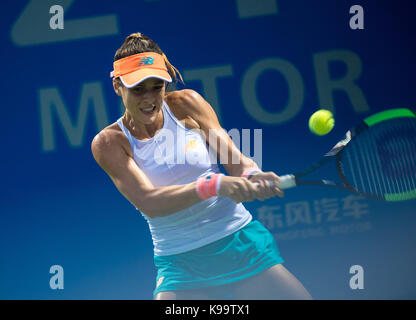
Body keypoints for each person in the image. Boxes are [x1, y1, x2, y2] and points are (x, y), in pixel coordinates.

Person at [91, 32, 312, 300]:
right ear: (117, 86)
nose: (149, 99)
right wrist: (214, 185)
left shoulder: (187, 103)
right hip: (180, 264)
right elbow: (149, 202)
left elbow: (234, 159)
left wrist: (251, 174)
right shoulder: (109, 143)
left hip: (239, 241)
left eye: (157, 86)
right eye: (138, 89)